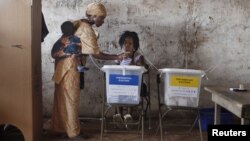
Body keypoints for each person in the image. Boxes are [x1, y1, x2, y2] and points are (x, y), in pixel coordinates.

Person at [50, 2, 126, 140]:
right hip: (70, 67)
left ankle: (59, 128)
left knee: (61, 98)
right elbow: (96, 54)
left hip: (63, 66)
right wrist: (117, 56)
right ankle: (74, 133)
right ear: (93, 15)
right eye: (101, 18)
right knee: (71, 100)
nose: (102, 21)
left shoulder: (79, 23)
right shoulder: (87, 29)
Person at [113, 31, 148, 129]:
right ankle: (119, 116)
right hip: (121, 84)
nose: (127, 45)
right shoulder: (119, 57)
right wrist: (121, 59)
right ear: (121, 45)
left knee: (131, 88)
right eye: (125, 43)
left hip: (135, 84)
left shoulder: (138, 57)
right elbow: (114, 71)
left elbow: (143, 68)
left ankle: (129, 115)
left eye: (130, 43)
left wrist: (134, 61)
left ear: (134, 46)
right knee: (115, 88)